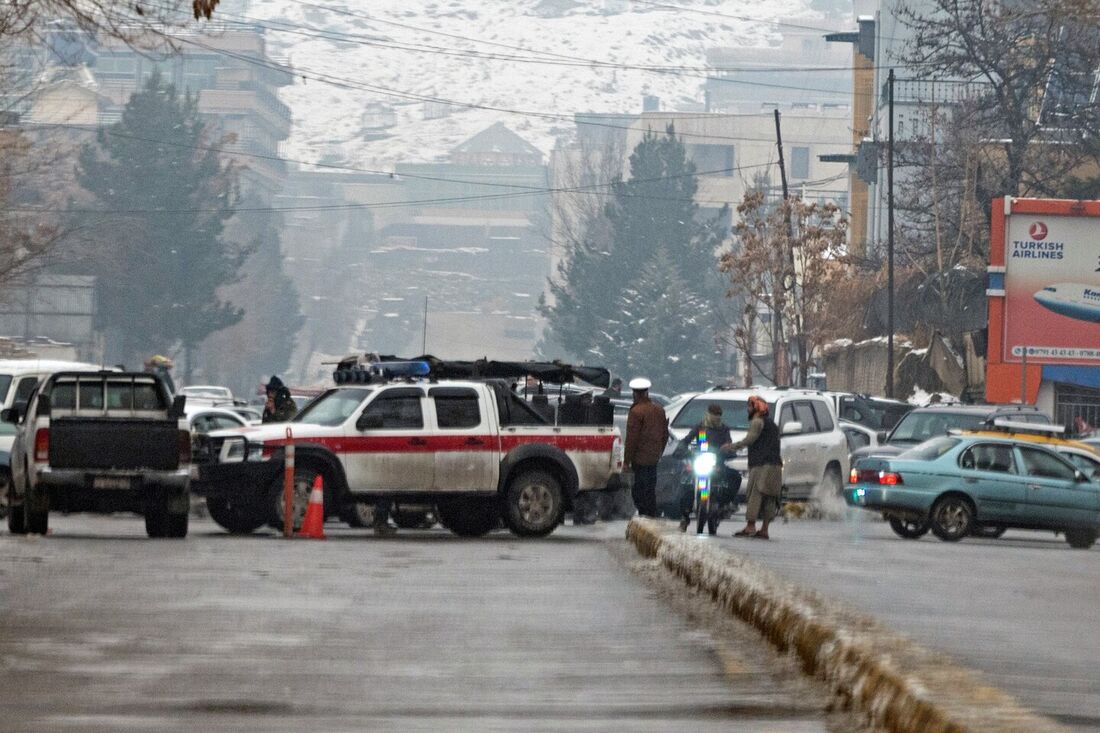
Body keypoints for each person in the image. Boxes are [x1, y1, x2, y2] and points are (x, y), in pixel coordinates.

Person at [725, 395, 783, 540]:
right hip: (775, 465)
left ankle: (750, 526)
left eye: (750, 407)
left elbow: (750, 439)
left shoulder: (757, 422)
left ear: (756, 408)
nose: (748, 410)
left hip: (761, 465)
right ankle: (764, 529)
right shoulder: (772, 425)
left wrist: (731, 447)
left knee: (754, 494)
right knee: (770, 496)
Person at [674, 403, 736, 532]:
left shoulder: (724, 429)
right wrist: (682, 449)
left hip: (716, 464)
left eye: (718, 417)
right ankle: (684, 518)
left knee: (734, 478)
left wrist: (728, 451)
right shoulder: (700, 427)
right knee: (685, 484)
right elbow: (686, 441)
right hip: (699, 462)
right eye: (714, 416)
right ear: (708, 415)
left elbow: (728, 444)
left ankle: (724, 505)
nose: (715, 419)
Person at [623, 377, 668, 518]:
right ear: (647, 393)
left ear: (635, 394)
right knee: (650, 488)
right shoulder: (659, 410)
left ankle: (644, 514)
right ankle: (651, 514)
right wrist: (660, 452)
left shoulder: (636, 412)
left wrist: (626, 461)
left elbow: (632, 439)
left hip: (639, 458)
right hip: (654, 457)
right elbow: (665, 434)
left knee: (638, 489)